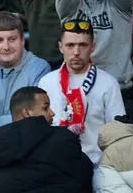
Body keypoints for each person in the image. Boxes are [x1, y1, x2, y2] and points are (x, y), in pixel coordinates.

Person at [37, 19, 125, 163]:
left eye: (83, 45)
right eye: (70, 45)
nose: (76, 52)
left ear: (92, 47)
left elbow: (118, 132)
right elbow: (39, 127)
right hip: (55, 163)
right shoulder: (46, 82)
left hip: (95, 164)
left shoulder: (108, 83)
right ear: (60, 47)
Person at [0, 87, 93, 193]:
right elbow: (82, 176)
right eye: (45, 107)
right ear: (27, 113)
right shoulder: (62, 139)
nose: (52, 113)